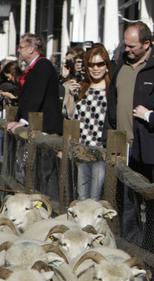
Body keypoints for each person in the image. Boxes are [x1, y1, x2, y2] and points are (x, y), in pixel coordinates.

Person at [106, 21, 153, 243]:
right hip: (122, 146)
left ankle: (148, 254)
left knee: (150, 206)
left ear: (147, 43)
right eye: (125, 45)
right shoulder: (121, 66)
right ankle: (127, 250)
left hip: (148, 148)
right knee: (127, 205)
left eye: (132, 46)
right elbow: (112, 103)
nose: (127, 50)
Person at [63, 45, 111, 200]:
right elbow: (70, 115)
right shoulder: (83, 87)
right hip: (82, 149)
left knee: (96, 197)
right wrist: (70, 94)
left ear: (107, 66)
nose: (95, 68)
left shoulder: (111, 90)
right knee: (82, 197)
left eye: (100, 64)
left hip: (101, 151)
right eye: (91, 65)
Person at [7, 34, 63, 135]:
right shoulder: (35, 66)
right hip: (36, 125)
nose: (18, 50)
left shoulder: (43, 65)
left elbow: (36, 96)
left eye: (20, 47)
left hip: (45, 127)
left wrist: (23, 121)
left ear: (31, 49)